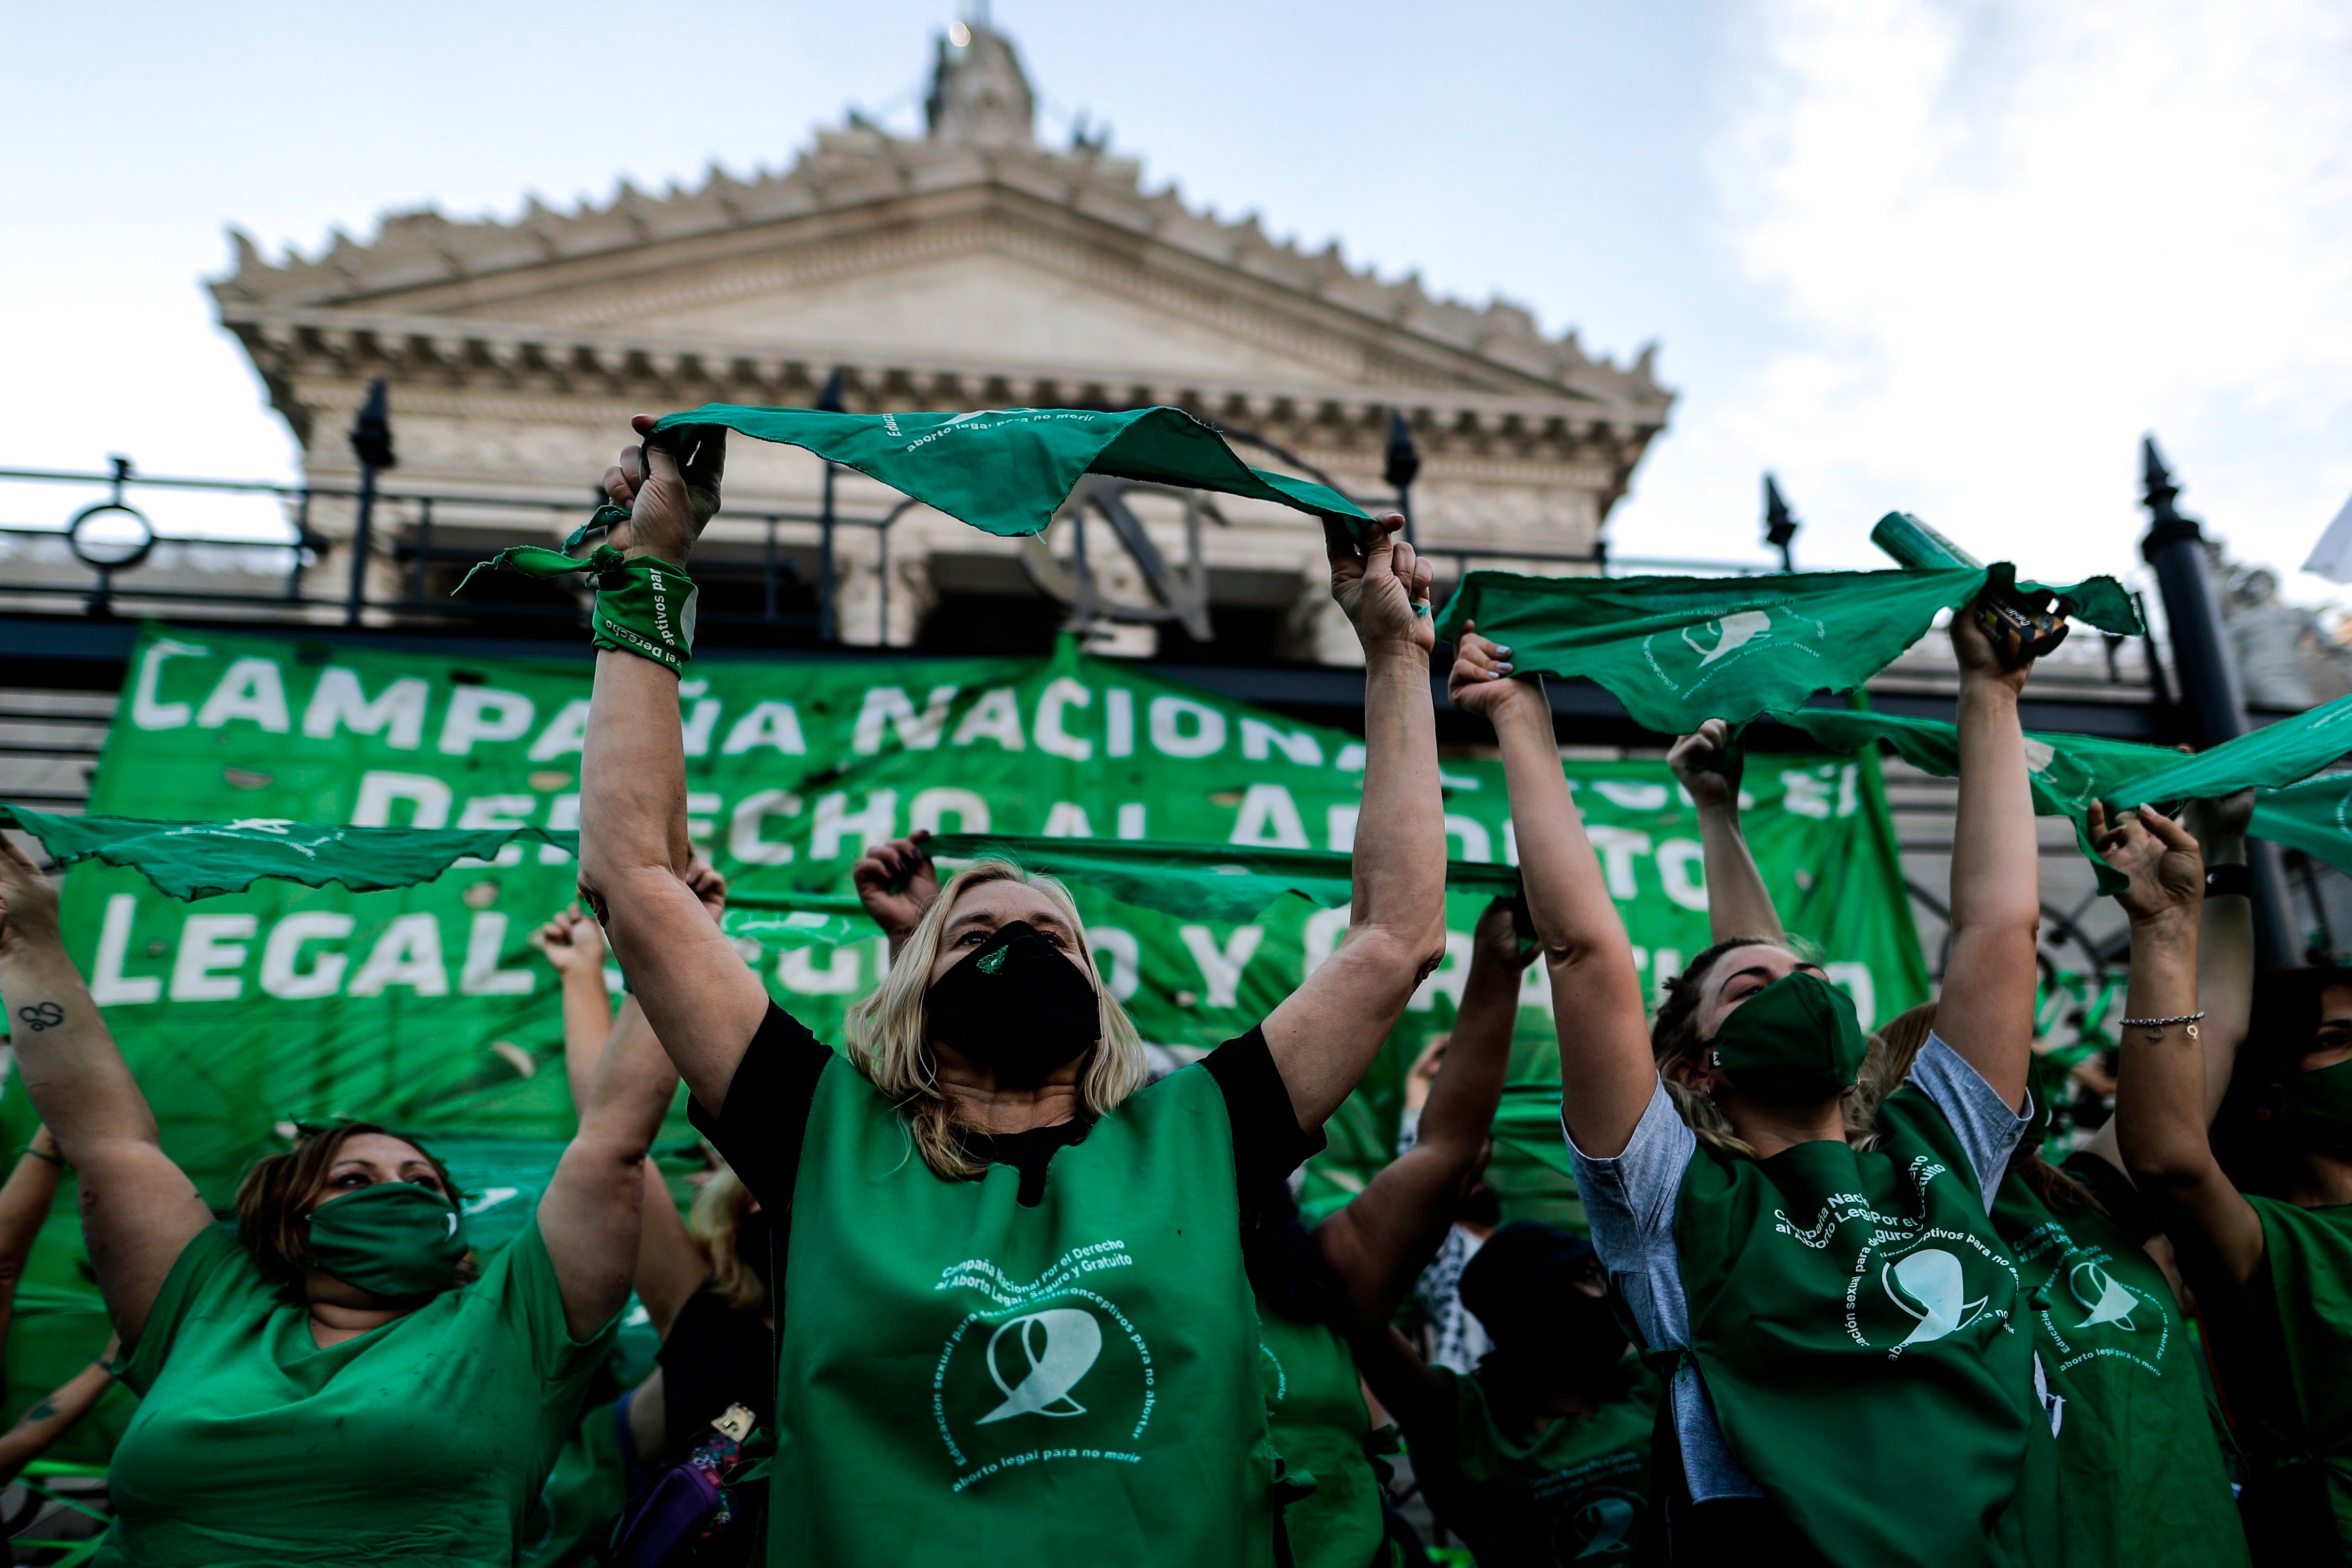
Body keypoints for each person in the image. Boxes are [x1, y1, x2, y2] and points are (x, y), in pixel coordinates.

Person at [573, 417, 1448, 1567]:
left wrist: (1391, 657)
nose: (1016, 946)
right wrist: (655, 568)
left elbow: (1391, 939)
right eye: (972, 934)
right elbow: (636, 880)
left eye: (1051, 937)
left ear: (1100, 997)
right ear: (911, 997)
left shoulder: (1196, 1132)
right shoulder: (819, 1134)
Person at [1451, 612, 2051, 1566]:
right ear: (1693, 1068)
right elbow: (1582, 951)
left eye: (1807, 979)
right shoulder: (1667, 1200)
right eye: (1750, 990)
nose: (1798, 993)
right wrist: (1519, 718)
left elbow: (1997, 927)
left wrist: (1989, 691)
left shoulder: (1935, 1147)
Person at [0, 833, 677, 1567]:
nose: (398, 1194)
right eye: (354, 1180)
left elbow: (612, 1139)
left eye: (424, 1185)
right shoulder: (205, 1302)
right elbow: (108, 1139)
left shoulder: (517, 1326)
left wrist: (665, 934)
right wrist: (25, 940)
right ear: (291, 1219)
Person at [1673, 721, 2250, 1567]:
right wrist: (1717, 818)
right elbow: (1766, 991)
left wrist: (2225, 843)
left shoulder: (2086, 1202)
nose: (2004, 1064)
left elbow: (2212, 1024)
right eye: (1972, 1055)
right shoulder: (1858, 1228)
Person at [1339, 901, 1657, 1567]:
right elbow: (1360, 1313)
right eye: (1585, 1274)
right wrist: (1494, 971)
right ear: (1524, 1309)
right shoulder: (1460, 1425)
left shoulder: (1650, 1387)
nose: (1607, 1289)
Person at [2097, 801, 2352, 1559]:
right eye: (2336, 1041)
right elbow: (2169, 1157)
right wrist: (2163, 929)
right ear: (2267, 1100)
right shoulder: (2265, 1241)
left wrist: (2230, 840)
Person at [540, 883, 775, 1568]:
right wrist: (586, 974)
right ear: (735, 1226)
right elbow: (613, 1135)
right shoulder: (703, 1316)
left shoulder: (900, 1321)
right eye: (760, 1199)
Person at [1394, 1034, 1501, 1377]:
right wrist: (1418, 1080)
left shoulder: (1520, 1256)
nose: (1477, 1184)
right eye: (1470, 1181)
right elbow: (1418, 1181)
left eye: (1481, 1180)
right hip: (1466, 1385)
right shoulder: (1442, 1250)